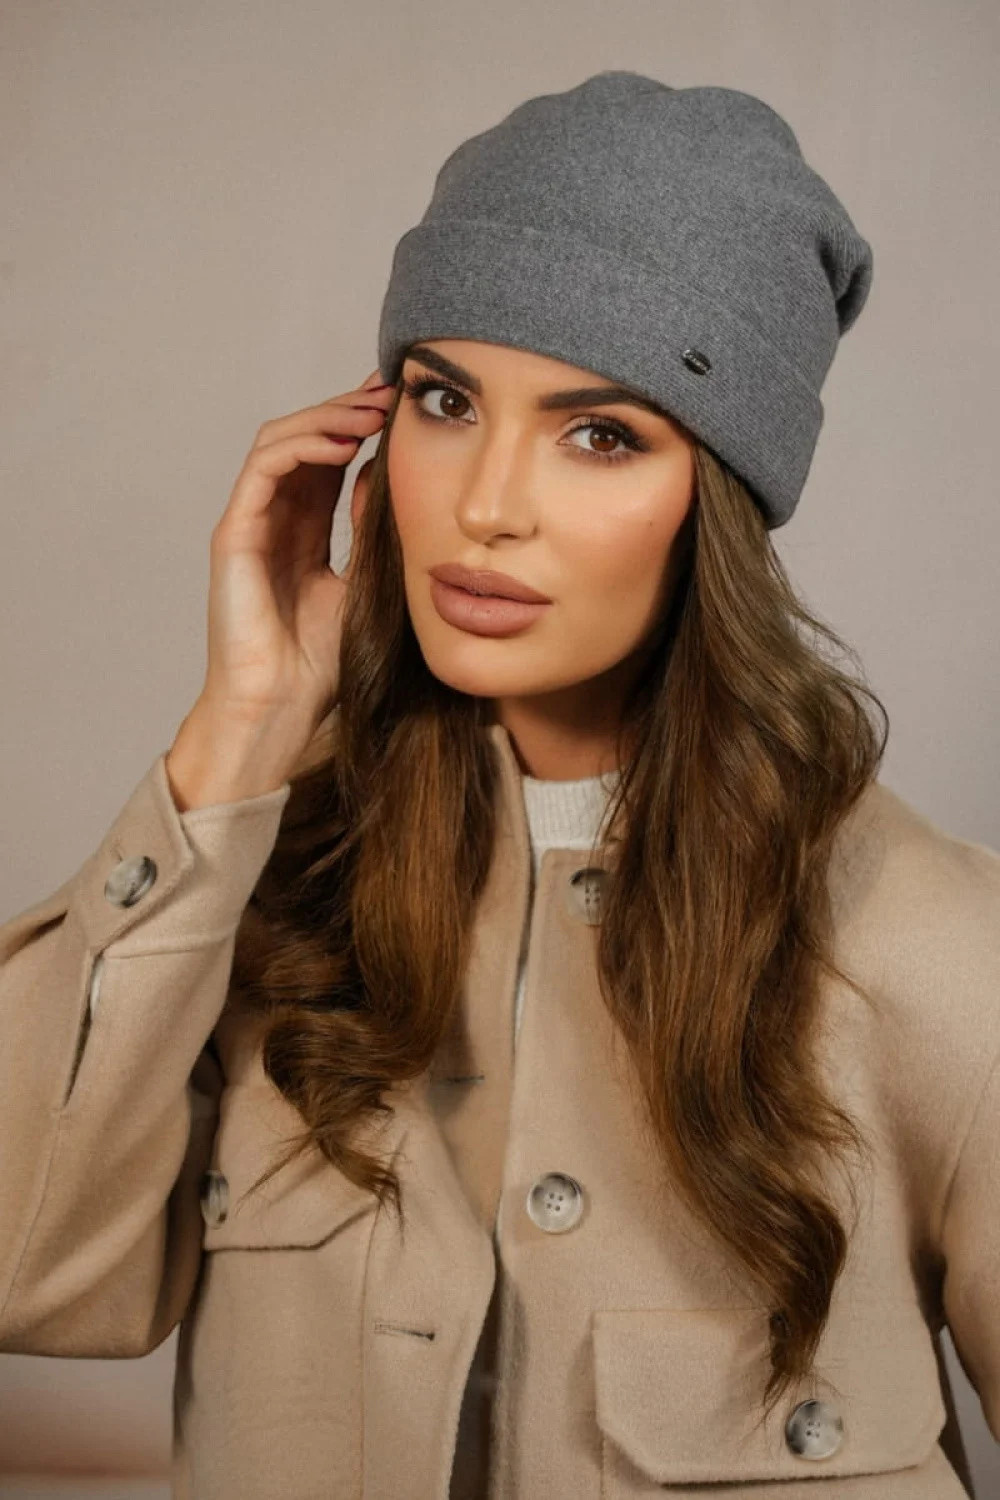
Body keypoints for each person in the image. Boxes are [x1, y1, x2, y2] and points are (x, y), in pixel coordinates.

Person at [1, 70, 997, 1500]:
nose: (485, 504)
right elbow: (24, 1271)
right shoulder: (267, 889)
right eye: (446, 400)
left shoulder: (933, 952)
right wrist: (239, 731)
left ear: (718, 501)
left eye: (602, 434)